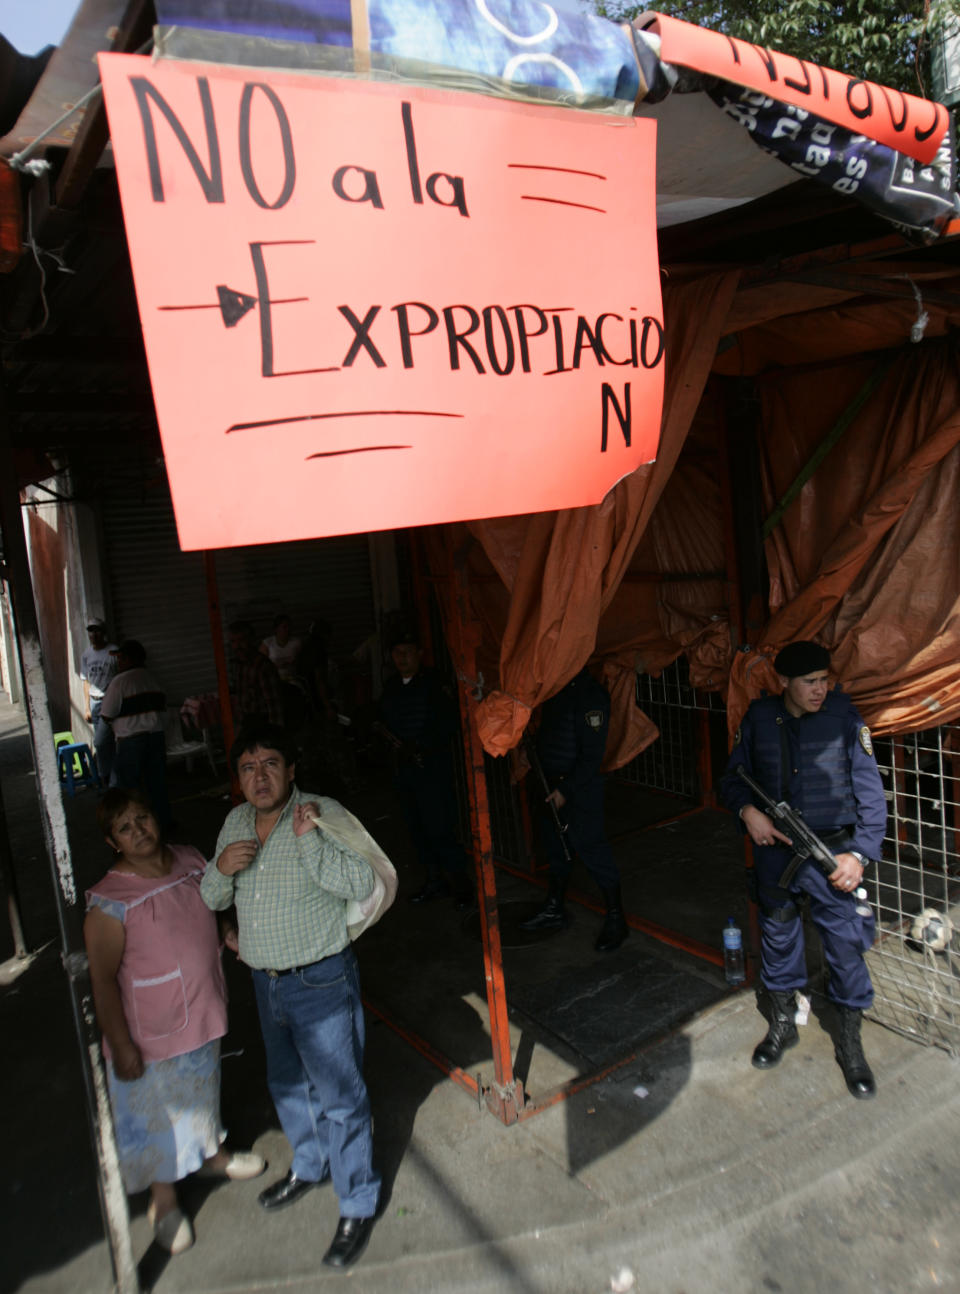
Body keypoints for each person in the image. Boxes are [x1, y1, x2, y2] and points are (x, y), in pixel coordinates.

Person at [201, 723, 381, 1271]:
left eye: (271, 764)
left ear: (291, 770)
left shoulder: (320, 814)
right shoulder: (234, 822)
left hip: (321, 980)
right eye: (249, 768)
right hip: (263, 981)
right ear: (238, 779)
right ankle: (310, 1164)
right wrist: (220, 870)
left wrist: (308, 845)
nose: (260, 776)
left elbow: (361, 882)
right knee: (285, 1082)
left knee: (341, 1095)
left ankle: (357, 1202)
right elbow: (211, 895)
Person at [84, 789, 266, 1255]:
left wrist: (226, 931)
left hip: (199, 1009)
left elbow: (213, 905)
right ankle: (163, 1201)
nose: (139, 830)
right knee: (155, 1114)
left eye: (143, 817)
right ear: (113, 842)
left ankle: (212, 1154)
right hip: (148, 1032)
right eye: (125, 827)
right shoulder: (110, 901)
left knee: (202, 1090)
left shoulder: (189, 860)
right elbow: (102, 981)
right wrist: (119, 1043)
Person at [720, 640, 887, 1099]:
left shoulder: (844, 719)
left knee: (846, 947)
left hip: (833, 854)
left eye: (824, 680)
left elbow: (872, 796)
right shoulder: (758, 719)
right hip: (777, 853)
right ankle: (781, 1025)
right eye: (810, 682)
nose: (820, 689)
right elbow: (733, 778)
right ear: (784, 683)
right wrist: (747, 813)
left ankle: (850, 1045)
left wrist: (861, 855)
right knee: (777, 934)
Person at [520, 667, 628, 952]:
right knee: (556, 849)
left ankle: (617, 918)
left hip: (579, 789)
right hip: (549, 785)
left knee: (593, 849)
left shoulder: (591, 695)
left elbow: (592, 756)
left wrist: (565, 791)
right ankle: (554, 908)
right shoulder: (555, 691)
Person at [377, 631, 473, 909]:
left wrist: (422, 746)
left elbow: (447, 722)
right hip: (404, 771)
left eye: (407, 651)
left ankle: (460, 883)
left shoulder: (435, 683)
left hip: (432, 768)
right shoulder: (392, 686)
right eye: (397, 653)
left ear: (419, 653)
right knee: (416, 827)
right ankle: (434, 881)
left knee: (441, 825)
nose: (402, 658)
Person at [99, 639, 172, 831]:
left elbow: (107, 713)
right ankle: (162, 825)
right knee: (157, 786)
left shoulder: (120, 682)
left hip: (130, 741)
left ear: (130, 659)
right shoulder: (153, 678)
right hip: (155, 737)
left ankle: (130, 829)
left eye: (121, 658)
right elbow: (165, 710)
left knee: (127, 789)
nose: (119, 663)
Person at [79, 616, 118, 785]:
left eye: (97, 630)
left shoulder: (113, 651)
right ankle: (107, 778)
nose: (93, 634)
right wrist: (87, 707)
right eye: (90, 631)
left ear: (103, 633)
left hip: (110, 701)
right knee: (102, 742)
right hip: (95, 702)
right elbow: (86, 681)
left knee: (101, 742)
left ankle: (108, 777)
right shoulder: (86, 655)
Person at [228, 620, 284, 729]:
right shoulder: (237, 665)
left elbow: (274, 705)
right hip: (246, 722)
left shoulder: (262, 666)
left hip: (262, 723)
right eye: (233, 641)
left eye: (241, 640)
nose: (237, 646)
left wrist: (275, 734)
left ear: (251, 640)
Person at [259, 614, 303, 683]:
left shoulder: (296, 642)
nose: (288, 629)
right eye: (284, 627)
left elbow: (301, 661)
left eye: (289, 627)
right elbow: (261, 665)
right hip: (273, 679)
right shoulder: (267, 643)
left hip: (292, 678)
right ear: (276, 629)